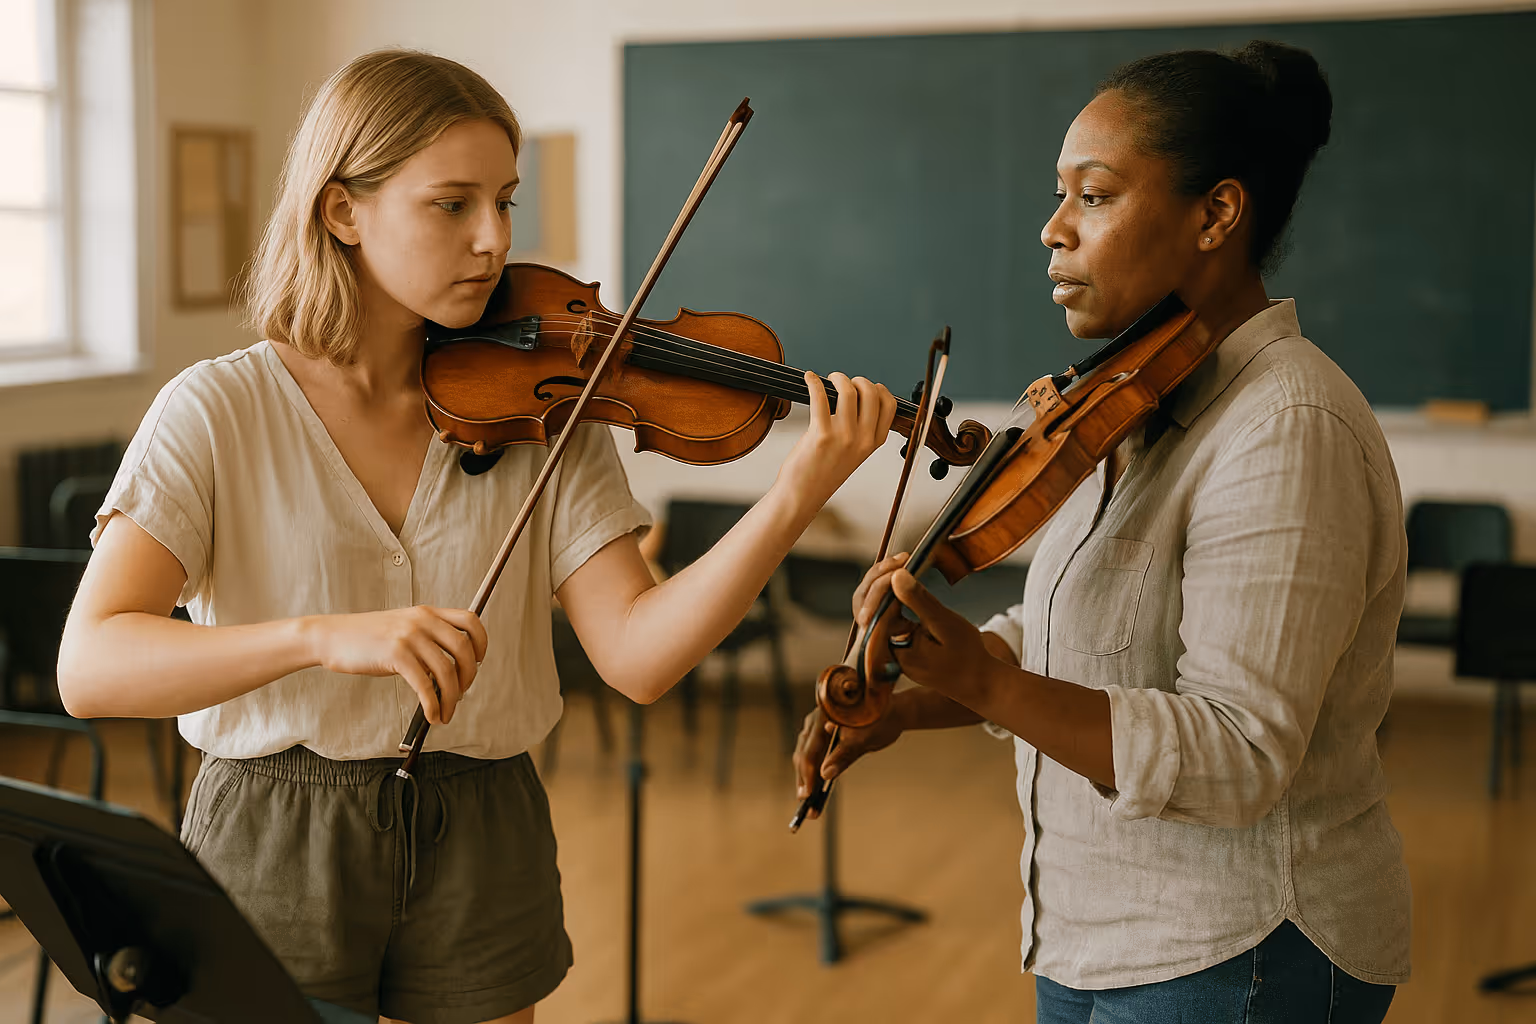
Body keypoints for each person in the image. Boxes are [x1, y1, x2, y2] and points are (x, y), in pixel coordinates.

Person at [57, 48, 896, 1024]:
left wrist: (795, 493)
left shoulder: (550, 411)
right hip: (275, 824)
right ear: (342, 210)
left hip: (485, 817)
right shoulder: (217, 409)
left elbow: (638, 655)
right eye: (451, 203)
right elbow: (93, 663)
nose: (493, 239)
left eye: (505, 200)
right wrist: (325, 635)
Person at [795, 40, 1409, 1023]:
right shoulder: (1123, 405)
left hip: (1241, 949)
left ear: (1217, 213)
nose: (1052, 230)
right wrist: (918, 699)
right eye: (1059, 194)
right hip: (1098, 928)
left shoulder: (1285, 424)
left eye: (1095, 195)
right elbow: (1079, 647)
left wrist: (989, 682)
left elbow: (1242, 749)